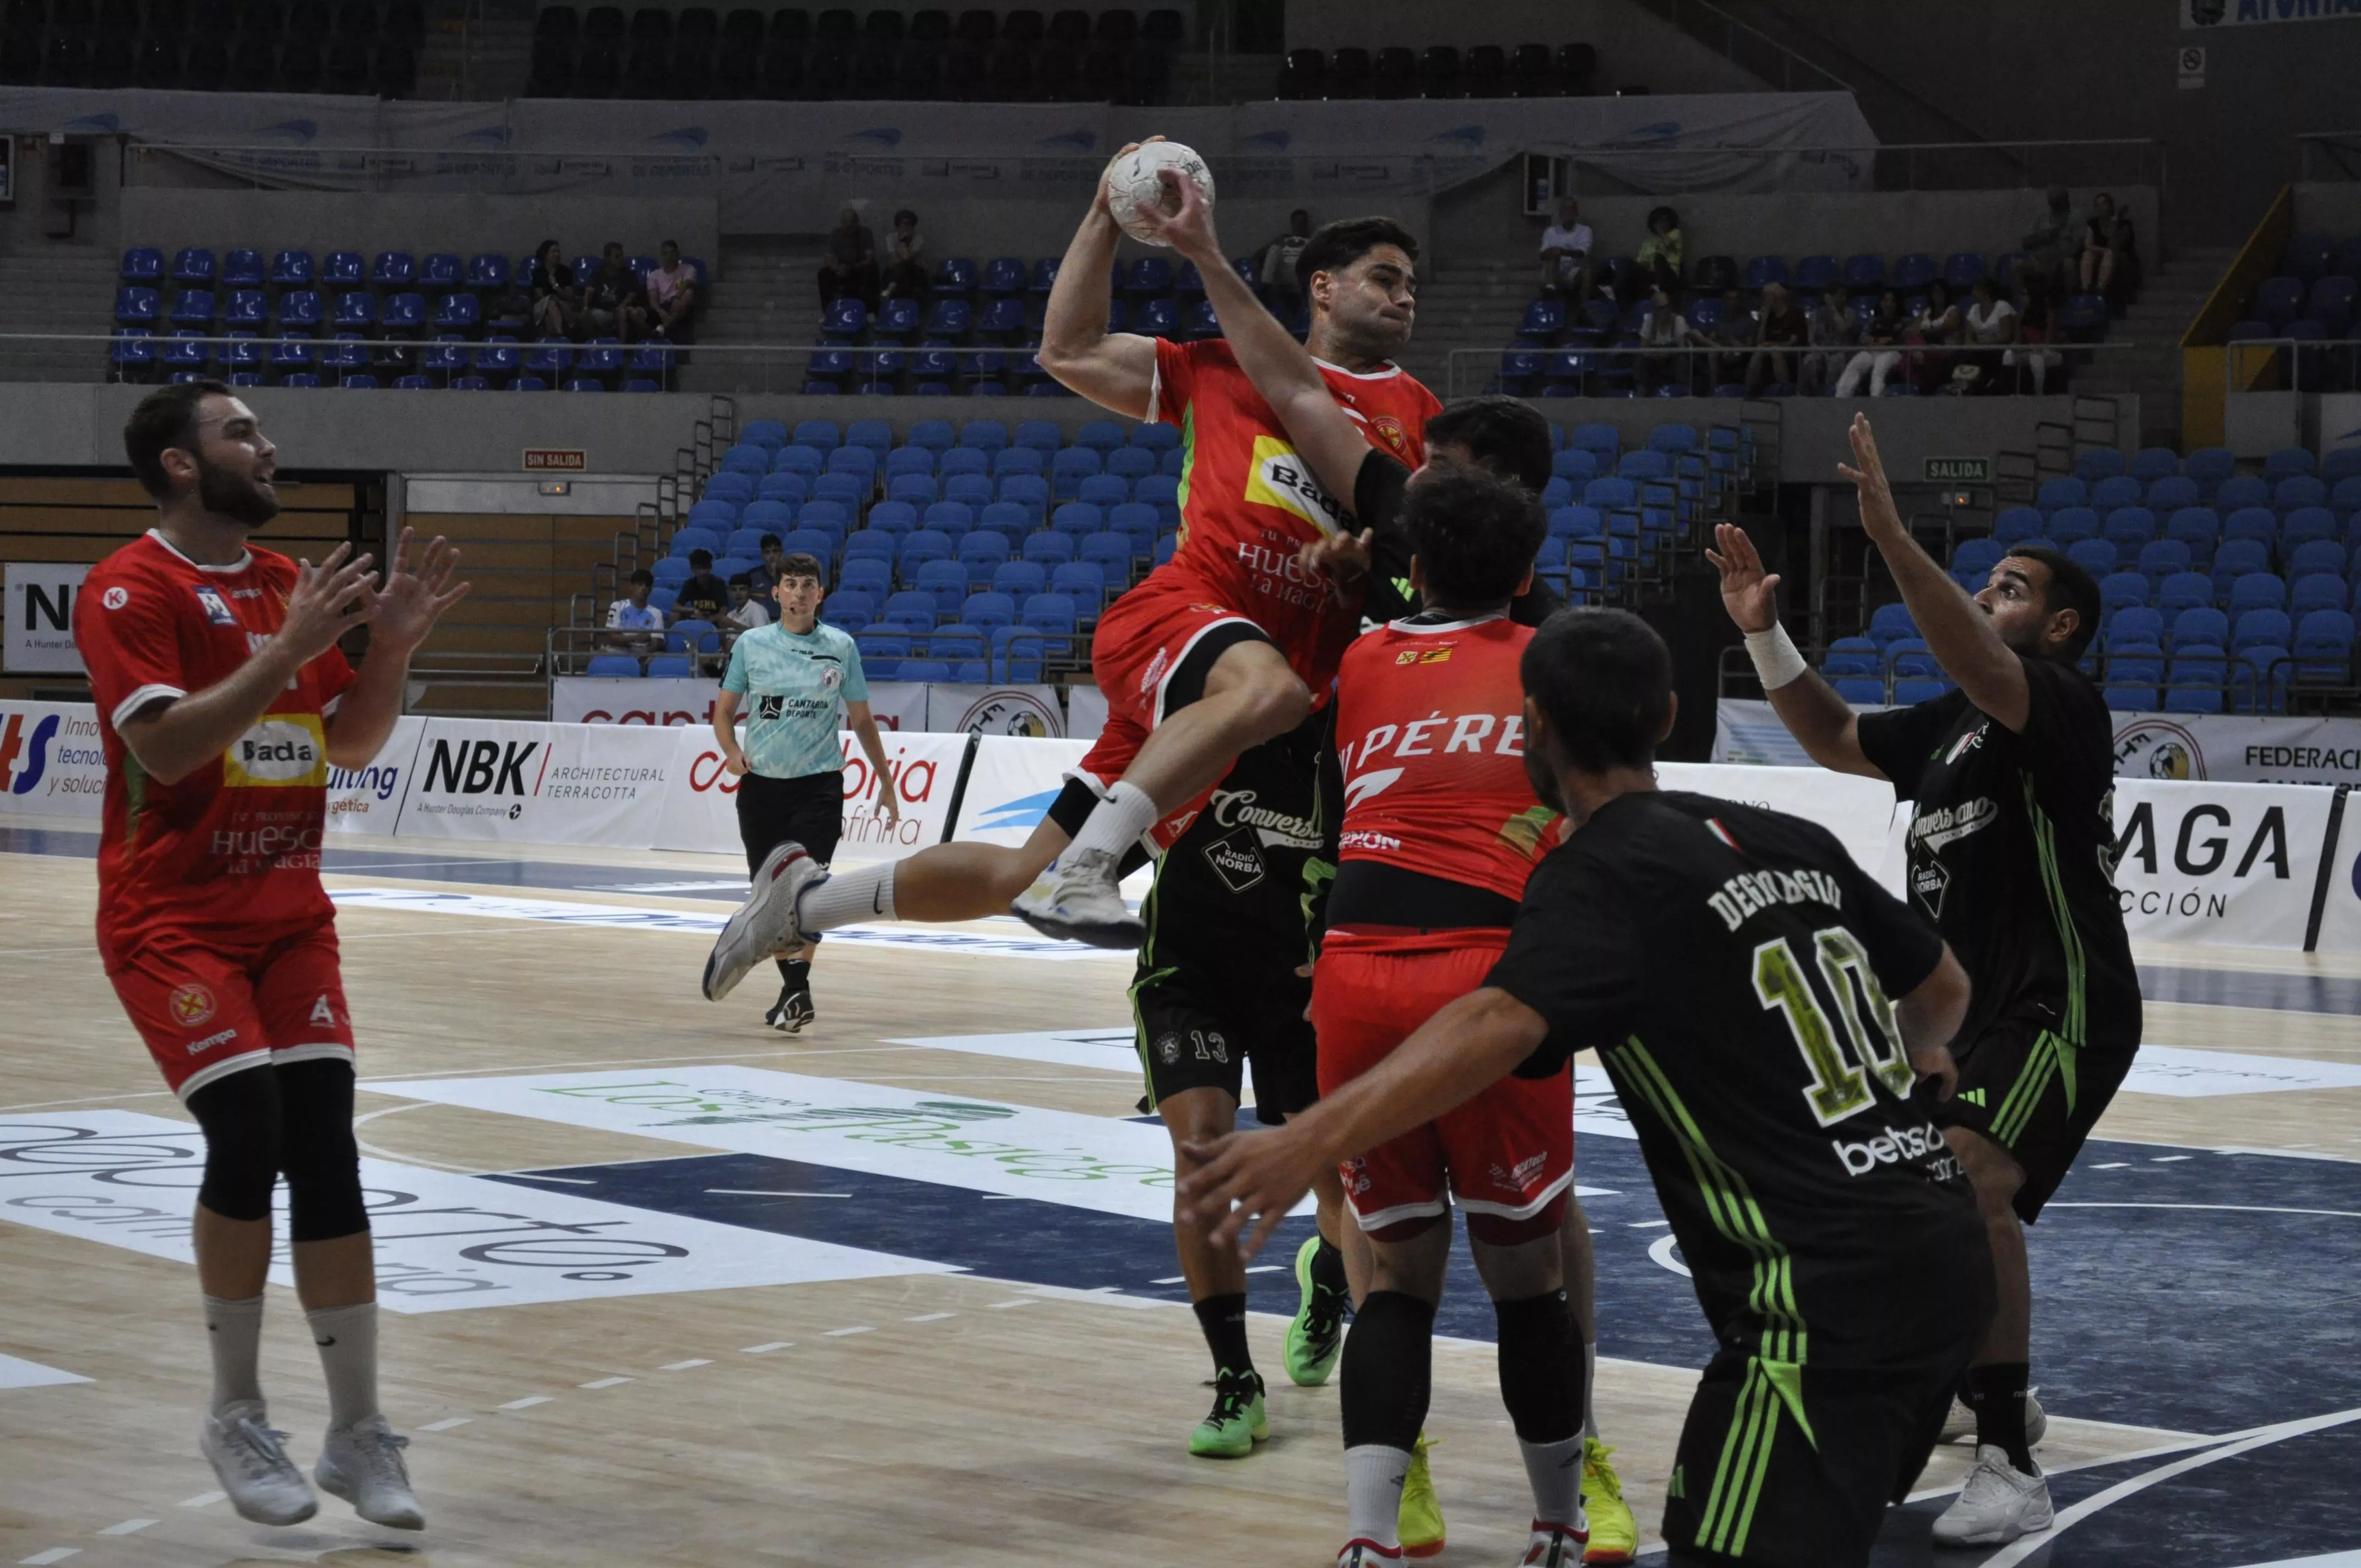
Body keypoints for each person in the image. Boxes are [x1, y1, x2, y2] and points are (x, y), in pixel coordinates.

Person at [1176, 605, 1988, 1568]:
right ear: (1670, 715)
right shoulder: (1787, 832)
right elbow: (1943, 993)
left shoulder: (1598, 873)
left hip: (1817, 1300)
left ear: (1533, 727)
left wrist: (1306, 1139)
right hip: (1941, 1249)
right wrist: (1894, 1056)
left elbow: (1494, 1022)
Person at [1143, 198, 1636, 1561]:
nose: (1409, 476)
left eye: (1433, 474)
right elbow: (1296, 393)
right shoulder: (1385, 629)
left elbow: (1302, 404)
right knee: (1462, 1242)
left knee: (1529, 1237)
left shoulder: (1515, 640)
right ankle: (1435, 1477)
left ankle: (1553, 1453)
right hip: (1393, 940)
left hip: (1467, 957)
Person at [698, 137, 1439, 976]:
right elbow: (1068, 350)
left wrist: (1363, 565)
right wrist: (1102, 214)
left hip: (1255, 698)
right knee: (1258, 697)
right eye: (1387, 278)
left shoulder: (1420, 417)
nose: (1405, 297)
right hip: (1191, 621)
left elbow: (1417, 549)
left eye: (1413, 286)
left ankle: (798, 903)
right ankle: (1090, 876)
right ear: (1324, 287)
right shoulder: (1216, 368)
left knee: (1020, 872)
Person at [1709, 413, 2142, 1548]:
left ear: (2056, 626)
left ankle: (2007, 1453)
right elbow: (1835, 734)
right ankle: (1990, 1378)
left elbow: (1973, 653)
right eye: (1985, 581)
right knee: (1913, 1192)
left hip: (2059, 1000)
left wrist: (1894, 538)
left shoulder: (2055, 703)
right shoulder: (1951, 726)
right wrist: (1764, 637)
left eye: (2007, 586)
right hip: (1969, 1008)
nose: (1987, 594)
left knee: (1965, 1180)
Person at [75, 381, 469, 1533]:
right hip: (171, 915)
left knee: (329, 1145)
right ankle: (236, 1409)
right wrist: (285, 649)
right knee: (246, 1130)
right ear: (182, 464)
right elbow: (166, 742)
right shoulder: (127, 586)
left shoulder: (288, 584)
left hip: (290, 911)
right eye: (241, 431)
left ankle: (356, 1433)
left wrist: (384, 649)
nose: (270, 445)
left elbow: (345, 740)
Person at [1310, 464, 1598, 1568]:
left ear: (1415, 564)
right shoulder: (1555, 663)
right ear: (1527, 573)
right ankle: (1559, 1525)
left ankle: (1369, 1541)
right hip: (1487, 977)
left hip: (1351, 972)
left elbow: (1397, 603)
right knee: (1527, 1277)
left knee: (1394, 1273)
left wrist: (1365, 568)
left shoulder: (1363, 657)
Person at [709, 552, 897, 1031]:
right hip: (761, 790)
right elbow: (724, 714)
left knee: (805, 892)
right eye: (789, 584)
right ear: (775, 594)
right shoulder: (751, 645)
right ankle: (796, 993)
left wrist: (885, 779)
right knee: (773, 899)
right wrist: (732, 752)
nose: (797, 592)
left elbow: (862, 720)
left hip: (819, 788)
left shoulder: (841, 646)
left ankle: (796, 993)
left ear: (820, 594)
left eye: (806, 585)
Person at [1634, 285, 1702, 398]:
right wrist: (1653, 354)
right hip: (1654, 358)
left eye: (1666, 307)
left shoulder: (1678, 320)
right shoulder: (1649, 321)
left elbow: (1681, 348)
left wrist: (1667, 353)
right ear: (1655, 309)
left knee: (1682, 361)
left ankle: (1682, 391)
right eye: (1660, 308)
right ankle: (1643, 393)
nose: (1664, 311)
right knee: (1641, 361)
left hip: (1672, 357)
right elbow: (1643, 348)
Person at [1834, 291, 1903, 398]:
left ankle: (1876, 400)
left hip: (1893, 351)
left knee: (1880, 367)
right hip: (1872, 350)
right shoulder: (1873, 321)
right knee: (1854, 365)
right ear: (1881, 304)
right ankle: (1841, 399)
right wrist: (1869, 340)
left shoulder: (1904, 321)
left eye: (1892, 301)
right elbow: (1863, 338)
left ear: (1897, 304)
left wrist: (1890, 340)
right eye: (1886, 301)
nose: (1889, 304)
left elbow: (1905, 338)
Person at [2020, 186, 2081, 301]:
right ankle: (2021, 304)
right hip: (2040, 260)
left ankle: (2071, 302)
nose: (2055, 203)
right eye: (2052, 200)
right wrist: (2043, 237)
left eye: (2058, 200)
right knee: (2017, 266)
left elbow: (2078, 245)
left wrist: (2057, 259)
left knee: (2069, 265)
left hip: (2062, 259)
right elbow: (2025, 243)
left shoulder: (2076, 217)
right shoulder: (2041, 217)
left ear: (2066, 200)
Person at [1746, 280, 1805, 396]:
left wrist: (1774, 345)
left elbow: (1794, 342)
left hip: (1790, 354)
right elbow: (1759, 341)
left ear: (1775, 298)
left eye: (1766, 297)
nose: (1764, 300)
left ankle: (1786, 391)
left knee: (1776, 353)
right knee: (1759, 352)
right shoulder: (1767, 316)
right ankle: (1749, 390)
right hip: (1767, 352)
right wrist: (1764, 320)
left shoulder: (1796, 313)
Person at [1961, 276, 2019, 395]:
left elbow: (2006, 336)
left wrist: (1984, 344)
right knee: (1961, 356)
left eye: (1976, 289)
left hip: (2000, 348)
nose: (1972, 292)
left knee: (1991, 356)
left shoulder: (2002, 306)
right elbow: (1968, 336)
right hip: (1980, 349)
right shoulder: (1974, 309)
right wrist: (1971, 345)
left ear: (1986, 292)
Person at [583, 241, 649, 342]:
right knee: (585, 316)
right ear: (608, 259)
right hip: (602, 310)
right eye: (617, 257)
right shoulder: (597, 273)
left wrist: (622, 306)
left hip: (620, 309)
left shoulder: (629, 274)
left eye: (622, 256)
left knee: (622, 312)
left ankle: (621, 348)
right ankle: (599, 344)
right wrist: (587, 303)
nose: (621, 260)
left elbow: (631, 295)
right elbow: (589, 292)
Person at [2080, 192, 2138, 302]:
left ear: (2110, 206)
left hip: (2118, 259)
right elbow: (2088, 245)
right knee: (2088, 254)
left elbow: (2115, 245)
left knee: (2110, 255)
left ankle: (2101, 291)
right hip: (2098, 256)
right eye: (2097, 205)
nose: (2101, 208)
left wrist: (2115, 223)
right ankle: (2085, 292)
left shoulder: (2123, 224)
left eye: (2104, 204)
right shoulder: (2092, 224)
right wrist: (2103, 250)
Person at [819, 206, 879, 312]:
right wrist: (836, 268)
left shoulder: (865, 233)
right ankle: (827, 311)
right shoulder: (835, 234)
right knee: (824, 274)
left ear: (857, 222)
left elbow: (869, 259)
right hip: (841, 268)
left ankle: (871, 311)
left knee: (872, 271)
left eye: (852, 222)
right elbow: (828, 258)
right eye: (846, 222)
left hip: (859, 267)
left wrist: (850, 267)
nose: (849, 225)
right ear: (842, 223)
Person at [1798, 291, 1857, 397]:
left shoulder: (1849, 313)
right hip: (1821, 350)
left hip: (1842, 351)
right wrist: (1824, 353)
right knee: (1810, 360)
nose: (1844, 299)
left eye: (1845, 296)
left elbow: (1843, 329)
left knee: (1836, 361)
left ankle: (1831, 394)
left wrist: (1833, 310)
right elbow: (1811, 341)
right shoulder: (1816, 314)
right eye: (1841, 295)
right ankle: (1807, 395)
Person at [1538, 195, 1593, 303]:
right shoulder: (1551, 232)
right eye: (1566, 209)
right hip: (1554, 269)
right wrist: (1554, 252)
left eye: (1572, 208)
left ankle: (1584, 309)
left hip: (1574, 270)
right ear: (1561, 212)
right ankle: (1550, 293)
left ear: (1576, 212)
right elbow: (1542, 255)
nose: (1569, 212)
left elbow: (1582, 253)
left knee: (1587, 272)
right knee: (1553, 258)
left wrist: (1563, 252)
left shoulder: (1585, 231)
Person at [525, 238, 580, 339]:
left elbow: (569, 296)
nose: (557, 254)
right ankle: (560, 335)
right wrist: (553, 298)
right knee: (550, 302)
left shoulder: (565, 271)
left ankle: (558, 336)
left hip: (563, 305)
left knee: (551, 315)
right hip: (542, 307)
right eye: (554, 251)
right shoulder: (538, 273)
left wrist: (555, 286)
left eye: (559, 252)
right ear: (546, 255)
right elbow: (539, 296)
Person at [645, 241, 699, 343]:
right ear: (661, 255)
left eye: (672, 253)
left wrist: (676, 299)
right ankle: (666, 326)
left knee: (688, 293)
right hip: (663, 307)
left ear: (678, 254)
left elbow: (687, 284)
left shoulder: (689, 269)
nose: (669, 257)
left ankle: (663, 328)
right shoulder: (654, 275)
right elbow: (653, 298)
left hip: (681, 303)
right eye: (666, 253)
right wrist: (660, 311)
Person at [1262, 207, 1314, 313]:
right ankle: (1265, 288)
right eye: (1297, 223)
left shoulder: (1312, 241)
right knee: (1275, 249)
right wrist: (1257, 264)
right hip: (1283, 274)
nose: (1299, 226)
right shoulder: (1282, 240)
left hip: (1301, 275)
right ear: (1292, 223)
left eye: (1302, 223)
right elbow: (1260, 254)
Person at [605, 566, 662, 654]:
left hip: (643, 653)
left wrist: (640, 658)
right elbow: (611, 637)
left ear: (650, 590)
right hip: (619, 650)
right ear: (632, 586)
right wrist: (636, 638)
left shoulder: (656, 614)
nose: (643, 588)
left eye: (647, 585)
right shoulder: (617, 606)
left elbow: (655, 644)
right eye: (640, 584)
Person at [1634, 205, 1682, 300]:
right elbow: (1640, 261)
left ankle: (1659, 288)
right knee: (1631, 266)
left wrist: (1660, 231)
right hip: (1650, 273)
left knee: (1659, 258)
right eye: (1659, 221)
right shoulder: (1649, 241)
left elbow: (1669, 245)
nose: (1662, 224)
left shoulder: (1675, 233)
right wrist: (1643, 264)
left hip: (1669, 273)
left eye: (1665, 221)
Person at [671, 548, 729, 627]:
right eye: (698, 568)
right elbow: (675, 607)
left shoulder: (718, 583)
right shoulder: (689, 584)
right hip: (697, 618)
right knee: (675, 615)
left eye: (705, 568)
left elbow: (724, 609)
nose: (702, 572)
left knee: (723, 620)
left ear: (710, 568)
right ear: (692, 569)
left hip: (714, 619)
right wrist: (693, 610)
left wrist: (708, 620)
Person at [882, 208, 926, 301]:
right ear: (898, 225)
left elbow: (908, 258)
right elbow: (894, 259)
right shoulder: (891, 237)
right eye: (903, 223)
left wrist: (903, 242)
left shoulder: (919, 238)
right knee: (901, 271)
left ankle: (892, 286)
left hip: (915, 269)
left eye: (909, 224)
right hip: (895, 269)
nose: (906, 226)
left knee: (905, 268)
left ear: (913, 226)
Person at [718, 571, 771, 647]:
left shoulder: (756, 609)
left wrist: (733, 625)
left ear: (749, 592)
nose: (738, 593)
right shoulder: (730, 615)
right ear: (729, 593)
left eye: (742, 589)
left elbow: (760, 638)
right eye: (734, 590)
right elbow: (727, 645)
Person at [746, 532, 786, 598]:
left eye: (775, 551)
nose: (771, 556)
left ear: (781, 553)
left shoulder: (790, 576)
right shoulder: (752, 575)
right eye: (767, 552)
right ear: (762, 554)